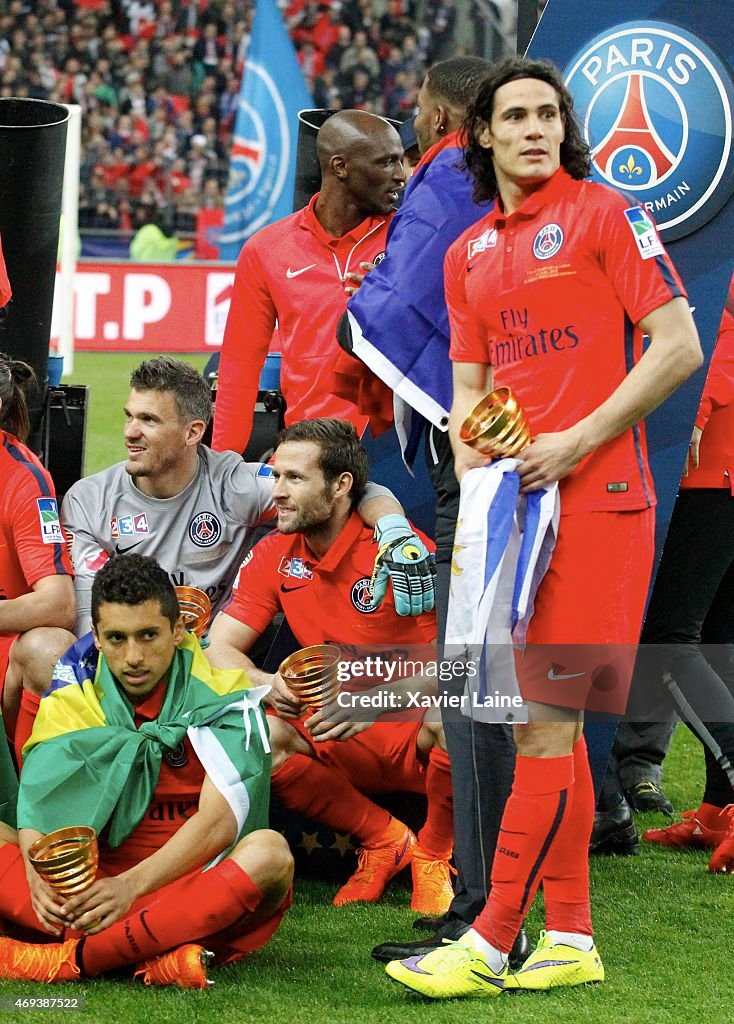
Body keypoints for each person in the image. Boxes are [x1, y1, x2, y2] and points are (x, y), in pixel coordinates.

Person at [385, 55, 701, 999]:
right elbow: (472, 389)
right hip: (512, 515)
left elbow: (678, 343)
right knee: (531, 726)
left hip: (601, 508)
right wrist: (478, 447)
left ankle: (488, 943)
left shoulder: (609, 216)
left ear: (564, 129)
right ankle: (569, 938)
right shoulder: (467, 251)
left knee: (540, 731)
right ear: (480, 135)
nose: (532, 129)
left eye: (546, 115)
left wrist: (577, 441)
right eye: (513, 116)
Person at [337, 57, 525, 965]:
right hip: (521, 449)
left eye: (418, 114)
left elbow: (401, 302)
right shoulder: (553, 205)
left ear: (448, 112)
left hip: (485, 459)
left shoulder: (455, 172)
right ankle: (496, 902)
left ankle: (493, 910)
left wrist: (355, 318)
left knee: (480, 691)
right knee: (498, 691)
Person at [0, 554, 292, 988]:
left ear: (178, 631)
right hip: (90, 886)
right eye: (116, 638)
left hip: (181, 885)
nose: (132, 656)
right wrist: (36, 872)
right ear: (96, 637)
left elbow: (218, 825)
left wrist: (129, 888)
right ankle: (158, 955)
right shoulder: (74, 692)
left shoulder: (224, 696)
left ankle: (74, 960)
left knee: (270, 854)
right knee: (18, 842)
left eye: (148, 635)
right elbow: (39, 806)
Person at [207, 418, 453, 914]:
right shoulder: (274, 553)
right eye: (276, 477)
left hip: (409, 732)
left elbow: (461, 666)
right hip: (331, 726)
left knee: (456, 713)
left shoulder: (402, 556)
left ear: (341, 486)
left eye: (294, 479)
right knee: (258, 735)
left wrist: (375, 703)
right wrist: (265, 681)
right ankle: (385, 839)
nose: (277, 492)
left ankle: (433, 853)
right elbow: (219, 648)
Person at [62, 356, 434, 642]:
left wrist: (392, 527)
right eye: (129, 416)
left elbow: (341, 490)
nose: (130, 432)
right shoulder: (90, 500)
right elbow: (86, 616)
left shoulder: (234, 484)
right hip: (129, 655)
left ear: (193, 432)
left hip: (210, 657)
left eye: (149, 420)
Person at [211, 109, 405, 456]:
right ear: (340, 167)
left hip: (395, 453)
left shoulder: (410, 238)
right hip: (309, 452)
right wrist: (223, 464)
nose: (401, 176)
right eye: (387, 163)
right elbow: (239, 366)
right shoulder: (267, 250)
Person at [641, 277, 734, 872]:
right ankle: (717, 808)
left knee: (667, 642)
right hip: (720, 470)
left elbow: (719, 336)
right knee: (718, 644)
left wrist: (695, 409)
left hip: (707, 470)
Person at [0, 353, 76, 770]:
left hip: (4, 647)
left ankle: (28, 797)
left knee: (50, 649)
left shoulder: (24, 480)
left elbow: (58, 605)